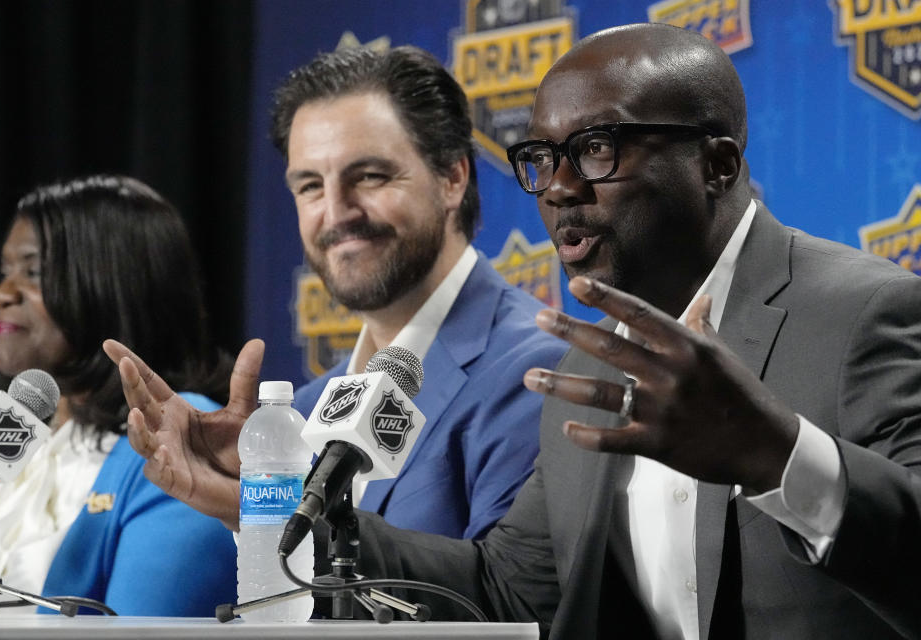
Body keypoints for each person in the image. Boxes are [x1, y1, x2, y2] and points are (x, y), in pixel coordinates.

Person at [338, 24, 921, 638]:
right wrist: (311, 513)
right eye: (541, 158)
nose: (560, 189)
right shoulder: (586, 368)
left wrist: (778, 455)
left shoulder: (867, 313)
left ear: (717, 165)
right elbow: (510, 593)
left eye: (597, 148)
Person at [103, 46, 566, 540]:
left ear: (452, 177)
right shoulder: (305, 410)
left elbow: (502, 605)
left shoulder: (537, 374)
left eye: (368, 176)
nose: (336, 212)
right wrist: (248, 505)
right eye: (309, 186)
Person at [0, 175, 237, 616]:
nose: (1, 295)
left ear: (115, 282)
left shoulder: (184, 444)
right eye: (6, 273)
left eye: (34, 271)